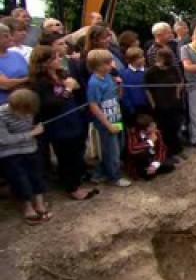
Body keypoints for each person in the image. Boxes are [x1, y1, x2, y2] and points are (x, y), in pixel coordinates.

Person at [29, 45, 98, 200]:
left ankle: (74, 181)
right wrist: (68, 89)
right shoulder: (40, 83)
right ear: (45, 62)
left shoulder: (61, 74)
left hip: (73, 119)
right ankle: (72, 188)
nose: (60, 59)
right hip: (59, 125)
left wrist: (74, 87)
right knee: (66, 156)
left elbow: (77, 90)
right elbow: (48, 104)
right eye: (56, 57)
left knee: (77, 153)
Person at [0, 89, 52, 224]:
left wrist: (34, 128)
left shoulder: (28, 110)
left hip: (31, 149)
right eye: (25, 112)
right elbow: (4, 140)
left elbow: (27, 128)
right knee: (20, 180)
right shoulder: (1, 115)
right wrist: (32, 133)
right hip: (11, 154)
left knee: (37, 175)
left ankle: (40, 204)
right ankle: (28, 207)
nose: (27, 115)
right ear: (17, 107)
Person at [86, 49, 131, 187]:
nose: (111, 65)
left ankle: (103, 172)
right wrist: (107, 125)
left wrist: (120, 85)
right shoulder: (94, 83)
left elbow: (118, 97)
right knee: (111, 150)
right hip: (106, 122)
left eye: (110, 62)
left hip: (116, 117)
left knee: (119, 145)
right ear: (96, 66)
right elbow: (93, 106)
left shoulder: (108, 78)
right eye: (106, 63)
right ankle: (114, 177)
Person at [145, 48, 186, 163]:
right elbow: (147, 89)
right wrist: (152, 103)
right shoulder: (151, 72)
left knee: (175, 126)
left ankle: (177, 150)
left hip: (174, 103)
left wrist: (178, 93)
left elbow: (180, 81)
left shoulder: (172, 69)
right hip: (160, 105)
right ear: (160, 58)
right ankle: (167, 153)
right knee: (164, 129)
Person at [126, 114, 175, 180]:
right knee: (147, 174)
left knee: (170, 165)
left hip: (153, 158)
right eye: (151, 126)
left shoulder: (156, 132)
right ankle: (146, 170)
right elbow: (132, 149)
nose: (154, 126)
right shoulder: (134, 134)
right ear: (144, 129)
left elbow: (162, 149)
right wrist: (149, 142)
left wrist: (155, 165)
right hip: (141, 160)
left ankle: (152, 169)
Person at [0, 23, 29, 105]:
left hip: (25, 104)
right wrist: (27, 79)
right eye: (6, 36)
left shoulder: (17, 54)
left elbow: (31, 73)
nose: (10, 38)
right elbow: (5, 85)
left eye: (10, 35)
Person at [121, 47, 151, 124]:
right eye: (140, 57)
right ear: (132, 60)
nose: (144, 59)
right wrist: (131, 109)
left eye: (143, 56)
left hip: (148, 107)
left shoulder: (148, 72)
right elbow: (124, 94)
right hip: (133, 108)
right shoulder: (125, 74)